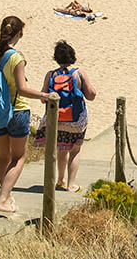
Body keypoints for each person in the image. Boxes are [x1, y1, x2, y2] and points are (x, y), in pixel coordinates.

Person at [0, 16, 59, 212]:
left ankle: (6, 195)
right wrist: (44, 95)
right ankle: (3, 198)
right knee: (19, 157)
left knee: (3, 155)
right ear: (19, 34)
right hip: (16, 111)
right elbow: (22, 89)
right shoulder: (16, 57)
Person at [33, 41, 97, 192]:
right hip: (76, 119)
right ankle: (71, 184)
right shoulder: (78, 73)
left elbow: (43, 97)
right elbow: (92, 95)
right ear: (72, 56)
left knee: (62, 149)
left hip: (56, 119)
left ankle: (60, 180)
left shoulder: (51, 74)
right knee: (75, 151)